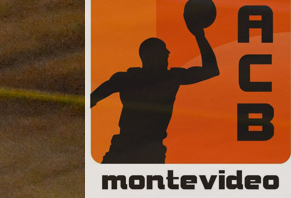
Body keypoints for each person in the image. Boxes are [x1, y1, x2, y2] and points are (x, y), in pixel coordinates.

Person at [92, 21, 219, 163]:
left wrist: (199, 35)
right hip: (138, 150)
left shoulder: (127, 78)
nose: (168, 53)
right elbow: (211, 70)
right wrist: (199, 36)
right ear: (152, 55)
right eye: (163, 50)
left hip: (133, 149)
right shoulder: (168, 78)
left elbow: (91, 99)